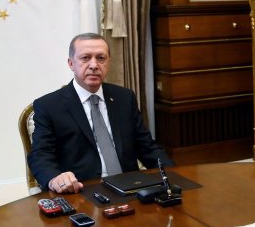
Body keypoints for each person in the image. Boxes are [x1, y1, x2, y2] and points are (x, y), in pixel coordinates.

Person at [28, 33, 173, 194]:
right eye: (85, 58)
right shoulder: (48, 105)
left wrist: (173, 174)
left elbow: (147, 147)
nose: (94, 65)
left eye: (101, 58)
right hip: (81, 191)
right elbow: (40, 156)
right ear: (71, 63)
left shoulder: (124, 98)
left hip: (130, 187)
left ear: (109, 62)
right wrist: (55, 178)